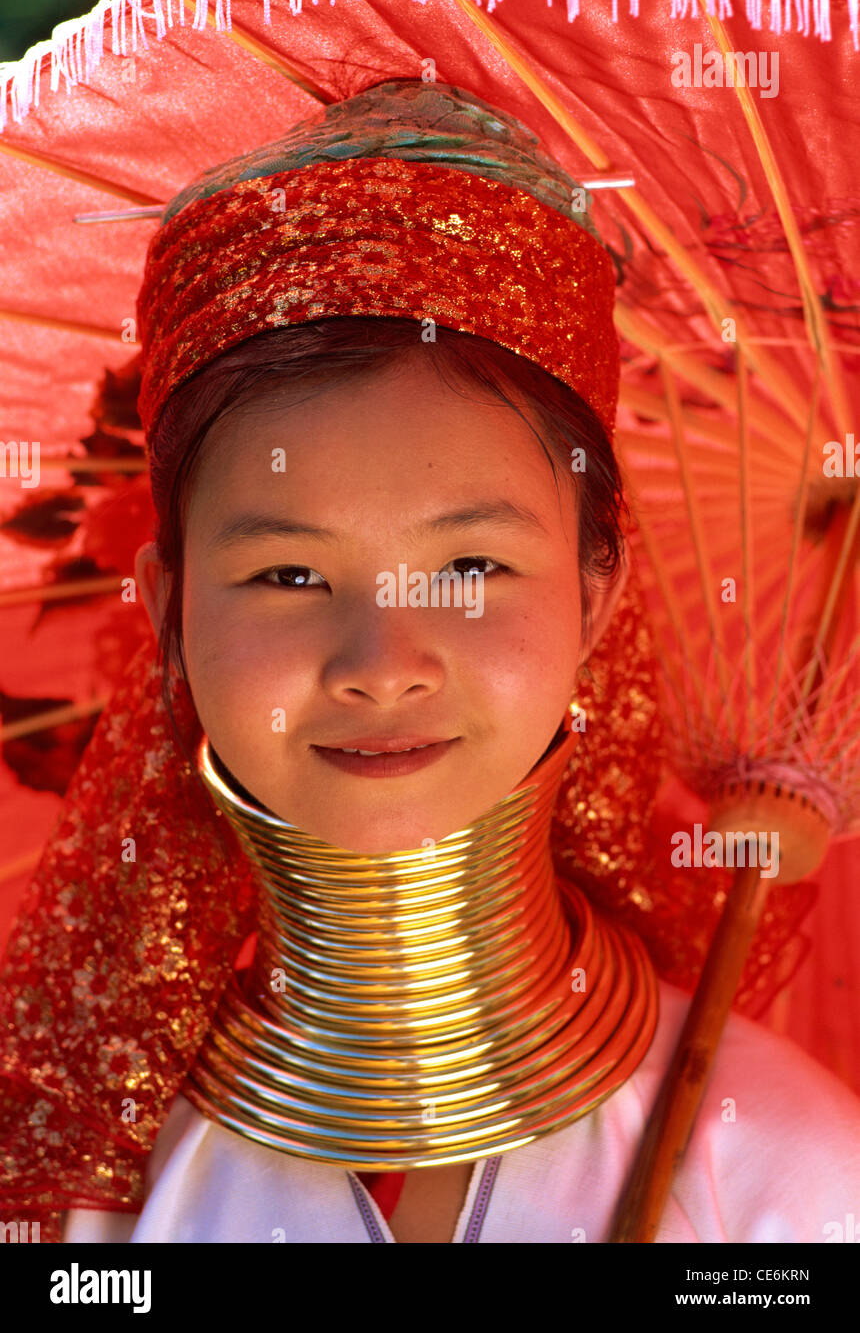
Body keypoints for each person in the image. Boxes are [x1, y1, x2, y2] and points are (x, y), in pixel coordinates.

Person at [2, 79, 859, 1244]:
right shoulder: (73, 1198)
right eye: (288, 576)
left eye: (469, 570)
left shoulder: (782, 1180)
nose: (381, 661)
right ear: (163, 614)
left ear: (594, 598)